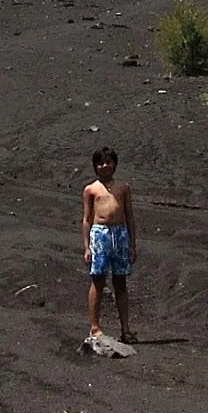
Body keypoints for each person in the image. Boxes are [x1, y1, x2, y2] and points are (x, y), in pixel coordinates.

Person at [82, 145, 137, 343]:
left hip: (120, 234)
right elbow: (87, 219)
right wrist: (87, 246)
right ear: (95, 166)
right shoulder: (91, 189)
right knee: (98, 280)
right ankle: (95, 327)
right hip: (100, 234)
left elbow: (129, 216)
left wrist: (132, 245)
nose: (104, 166)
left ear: (114, 164)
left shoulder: (123, 188)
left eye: (108, 162)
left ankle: (126, 329)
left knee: (120, 282)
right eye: (100, 163)